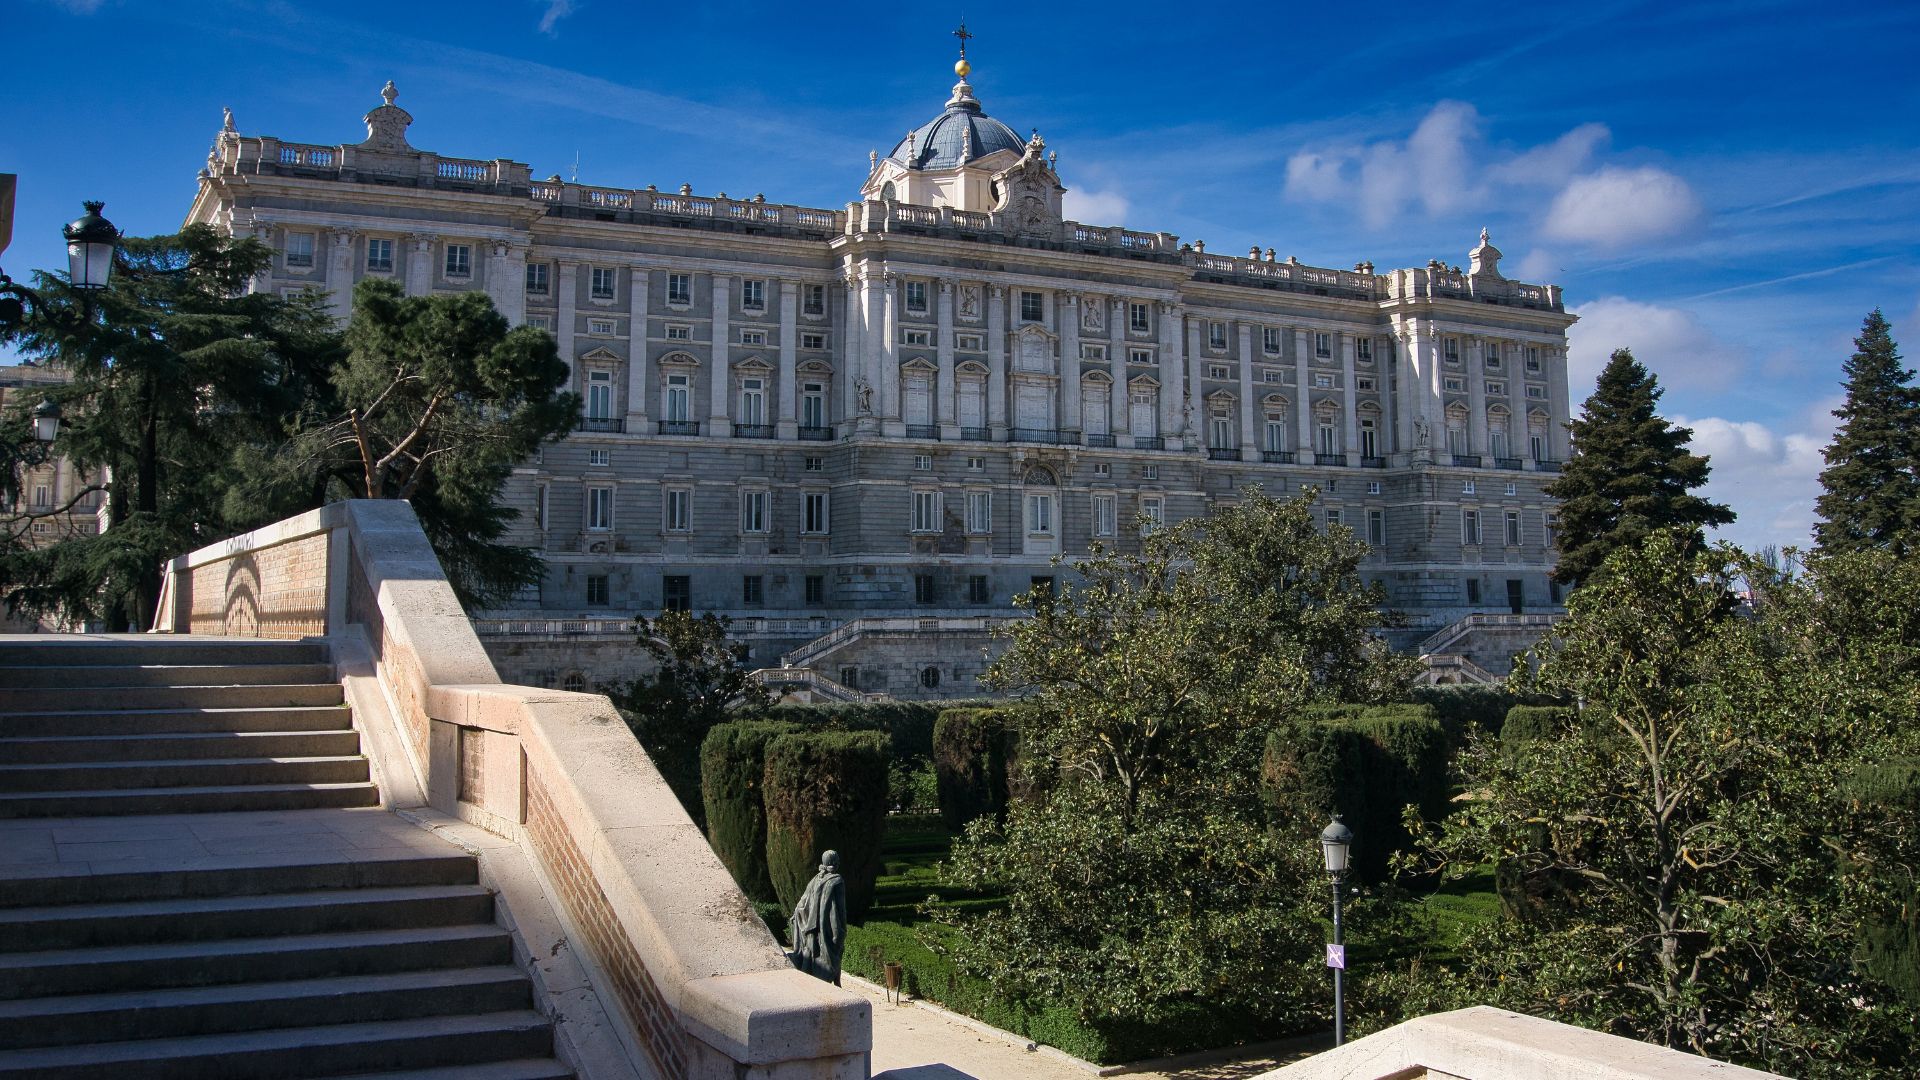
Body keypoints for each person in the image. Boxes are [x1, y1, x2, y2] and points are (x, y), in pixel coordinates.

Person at [788, 849, 847, 984]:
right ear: (835, 863)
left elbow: (804, 900)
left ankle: (818, 982)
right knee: (834, 954)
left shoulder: (816, 879)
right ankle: (836, 983)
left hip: (813, 926)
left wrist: (797, 913)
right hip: (828, 927)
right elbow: (841, 909)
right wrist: (842, 928)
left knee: (815, 956)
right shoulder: (837, 881)